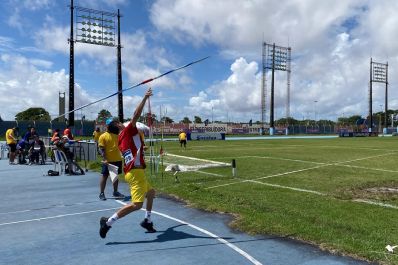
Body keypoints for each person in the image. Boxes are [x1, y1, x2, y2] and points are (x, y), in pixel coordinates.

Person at [99, 87, 156, 238]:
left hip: (134, 172)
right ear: (118, 125)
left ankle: (148, 221)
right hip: (135, 172)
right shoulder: (126, 132)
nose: (122, 123)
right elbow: (136, 115)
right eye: (119, 122)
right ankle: (108, 222)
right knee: (137, 205)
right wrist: (145, 97)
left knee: (151, 193)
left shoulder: (122, 138)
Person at [98, 118, 125, 201]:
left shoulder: (117, 135)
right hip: (108, 161)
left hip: (117, 159)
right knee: (105, 176)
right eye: (112, 125)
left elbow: (124, 130)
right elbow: (101, 149)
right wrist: (105, 159)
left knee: (115, 177)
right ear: (107, 126)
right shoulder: (103, 136)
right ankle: (102, 193)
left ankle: (115, 192)